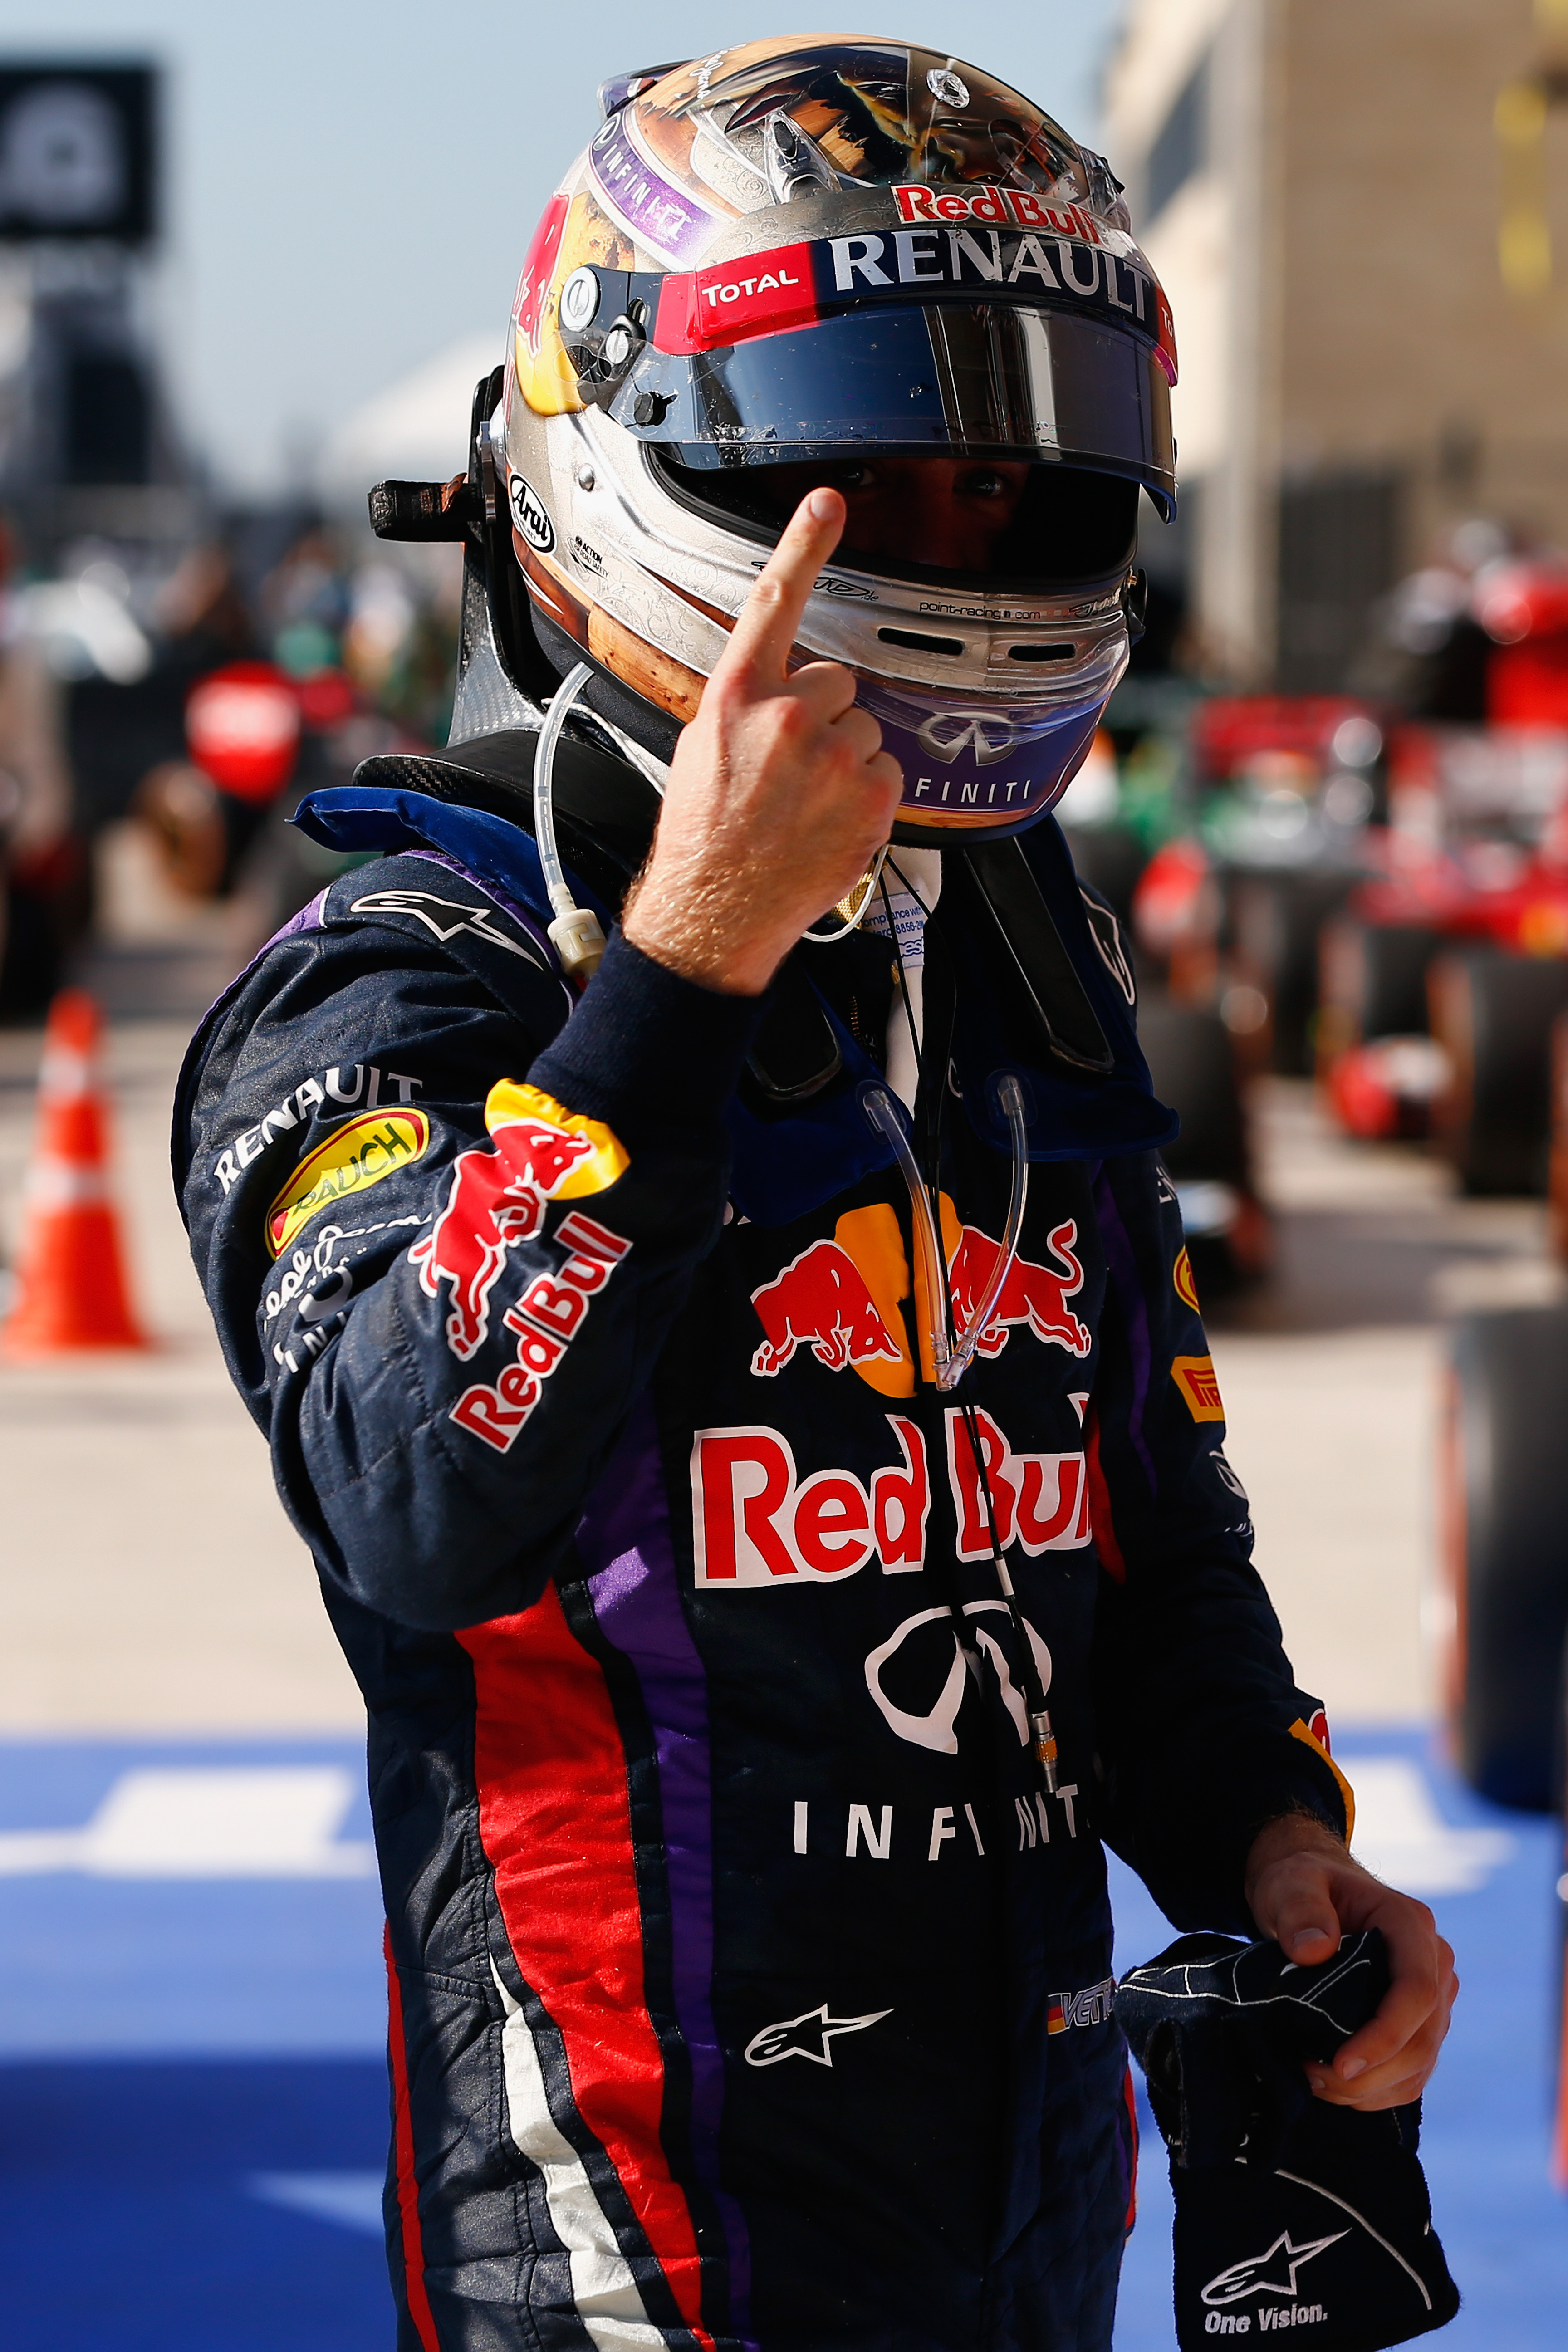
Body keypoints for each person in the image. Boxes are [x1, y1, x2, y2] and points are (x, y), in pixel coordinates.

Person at [175, 39, 1455, 2352]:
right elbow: (413, 1498)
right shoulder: (407, 976)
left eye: (1022, 478)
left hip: (1032, 2177)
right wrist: (681, 976)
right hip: (633, 2217)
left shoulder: (1013, 940)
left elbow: (1144, 1520)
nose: (964, 538)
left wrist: (1269, 1839)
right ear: (625, 448)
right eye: (876, 472)